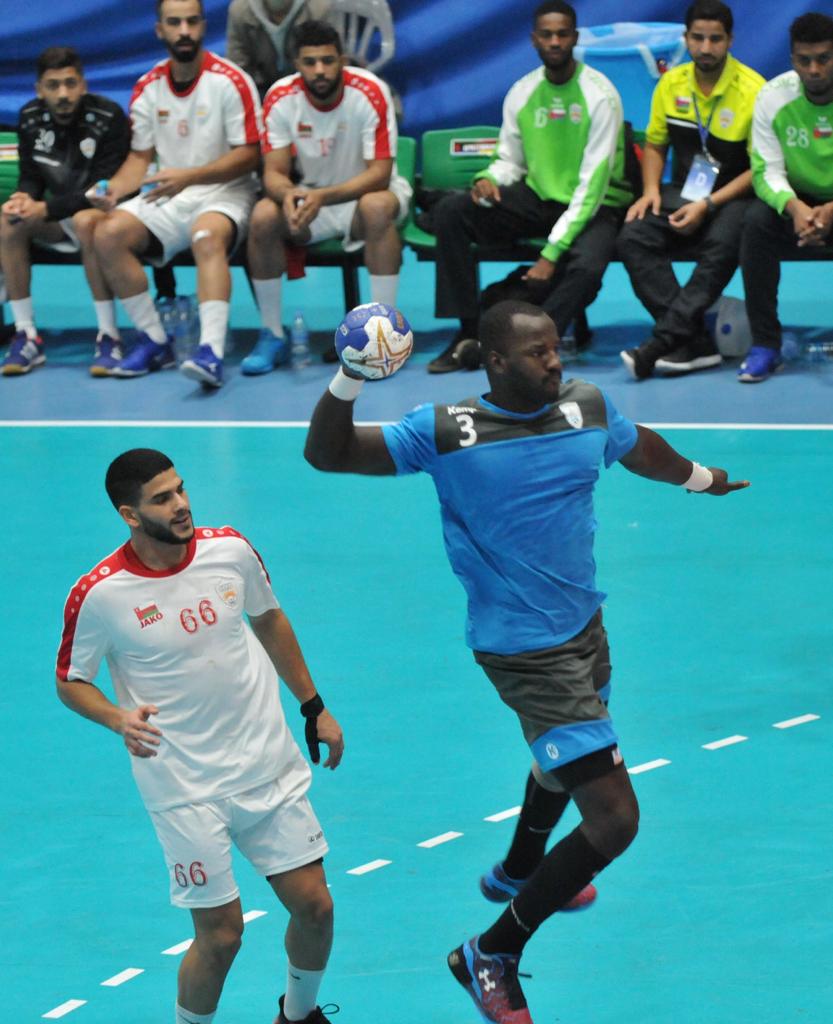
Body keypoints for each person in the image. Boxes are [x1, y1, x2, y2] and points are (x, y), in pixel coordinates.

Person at [304, 300, 748, 1024]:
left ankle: (518, 869)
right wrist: (350, 378)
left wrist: (701, 478)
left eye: (555, 347)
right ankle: (491, 952)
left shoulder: (585, 406)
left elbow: (640, 449)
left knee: (560, 760)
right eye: (537, 352)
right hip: (525, 649)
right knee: (614, 820)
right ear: (494, 362)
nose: (554, 361)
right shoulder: (445, 431)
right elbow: (329, 453)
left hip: (584, 625)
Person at [56, 448, 344, 1024]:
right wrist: (117, 717)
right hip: (183, 786)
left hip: (264, 763)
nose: (181, 504)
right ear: (130, 515)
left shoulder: (229, 551)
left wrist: (313, 706)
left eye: (181, 489)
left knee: (316, 906)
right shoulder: (101, 594)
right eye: (162, 499)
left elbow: (269, 619)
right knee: (222, 935)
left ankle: (298, 1015)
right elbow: (70, 681)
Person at [427, 0, 632, 374]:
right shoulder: (522, 91)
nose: (555, 42)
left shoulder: (601, 96)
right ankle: (468, 333)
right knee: (451, 211)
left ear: (575, 38)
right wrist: (488, 179)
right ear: (534, 39)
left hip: (595, 206)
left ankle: (536, 345)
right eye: (547, 35)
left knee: (587, 268)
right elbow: (510, 159)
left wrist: (550, 254)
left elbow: (592, 187)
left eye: (562, 34)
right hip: (539, 197)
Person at [88, 0, 262, 389]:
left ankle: (211, 353)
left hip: (226, 192)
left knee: (206, 236)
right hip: (170, 192)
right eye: (174, 22)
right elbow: (139, 158)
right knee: (107, 233)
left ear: (203, 26)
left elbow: (249, 155)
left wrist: (191, 176)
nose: (184, 31)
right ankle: (154, 340)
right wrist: (113, 190)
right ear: (160, 30)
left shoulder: (231, 81)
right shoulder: (147, 86)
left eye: (191, 21)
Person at [241, 19, 410, 375]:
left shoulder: (370, 91)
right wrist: (289, 196)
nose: (320, 70)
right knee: (263, 216)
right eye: (310, 62)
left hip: (364, 195)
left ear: (342, 60)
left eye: (328, 60)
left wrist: (322, 197)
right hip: (312, 198)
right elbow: (273, 172)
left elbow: (379, 174)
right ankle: (272, 333)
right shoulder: (280, 97)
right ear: (296, 64)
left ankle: (386, 336)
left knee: (377, 207)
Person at [618, 1, 764, 380]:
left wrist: (709, 204)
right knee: (634, 234)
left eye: (715, 39)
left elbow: (760, 169)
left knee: (722, 245)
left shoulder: (754, 90)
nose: (706, 47)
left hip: (735, 196)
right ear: (686, 38)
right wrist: (650, 190)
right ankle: (693, 341)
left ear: (730, 40)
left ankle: (660, 344)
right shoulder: (671, 84)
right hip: (684, 192)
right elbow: (655, 145)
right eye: (698, 38)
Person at [0, 47, 130, 377]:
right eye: (53, 85)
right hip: (56, 219)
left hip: (105, 219)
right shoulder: (30, 117)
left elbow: (102, 188)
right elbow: (31, 175)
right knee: (8, 221)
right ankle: (26, 334)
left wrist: (45, 208)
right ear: (39, 90)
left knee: (87, 221)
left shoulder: (108, 117)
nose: (63, 94)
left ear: (83, 85)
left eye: (70, 84)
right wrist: (23, 198)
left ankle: (109, 336)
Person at [738, 12, 833, 383]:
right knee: (755, 223)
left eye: (824, 59)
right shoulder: (773, 96)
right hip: (798, 199)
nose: (814, 69)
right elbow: (765, 170)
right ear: (792, 59)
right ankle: (765, 344)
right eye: (804, 60)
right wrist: (796, 209)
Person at [226, 0, 330, 99]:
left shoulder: (320, 7)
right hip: (262, 90)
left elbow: (331, 64)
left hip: (311, 89)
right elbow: (238, 73)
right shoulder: (240, 11)